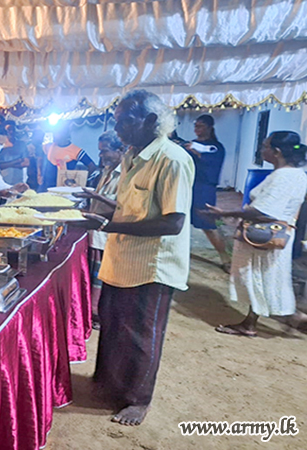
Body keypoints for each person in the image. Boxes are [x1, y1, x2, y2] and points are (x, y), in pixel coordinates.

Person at [84, 89, 194, 426]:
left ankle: (138, 400)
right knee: (115, 327)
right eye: (116, 121)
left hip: (152, 266)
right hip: (122, 258)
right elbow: (128, 208)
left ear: (150, 121)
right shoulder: (131, 156)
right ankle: (109, 384)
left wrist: (109, 223)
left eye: (125, 121)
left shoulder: (172, 159)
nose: (118, 129)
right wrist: (97, 204)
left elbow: (173, 222)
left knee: (141, 334)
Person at [203, 131, 307, 336]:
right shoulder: (296, 174)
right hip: (276, 234)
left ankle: (267, 321)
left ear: (276, 152)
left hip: (265, 236)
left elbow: (264, 210)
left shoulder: (284, 176)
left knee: (259, 277)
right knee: (265, 278)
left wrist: (225, 213)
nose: (262, 150)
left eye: (265, 146)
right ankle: (256, 321)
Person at [74, 131, 125, 329]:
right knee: (95, 277)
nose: (101, 156)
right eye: (100, 152)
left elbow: (124, 206)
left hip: (109, 233)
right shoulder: (107, 170)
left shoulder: (127, 174)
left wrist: (97, 197)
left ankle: (100, 315)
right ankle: (93, 312)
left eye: (105, 152)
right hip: (96, 232)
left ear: (120, 150)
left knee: (104, 279)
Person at [183, 114, 231, 271]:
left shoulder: (216, 147)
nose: (197, 129)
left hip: (204, 188)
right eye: (195, 126)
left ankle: (225, 257)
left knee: (209, 224)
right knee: (180, 220)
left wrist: (198, 154)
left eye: (201, 126)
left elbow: (212, 166)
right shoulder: (192, 144)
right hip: (188, 185)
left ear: (210, 127)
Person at [40, 124, 97, 191]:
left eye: (57, 133)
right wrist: (40, 175)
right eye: (54, 133)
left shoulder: (76, 150)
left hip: (64, 188)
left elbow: (92, 166)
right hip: (46, 187)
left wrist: (80, 179)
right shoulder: (49, 147)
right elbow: (42, 160)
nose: (54, 136)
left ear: (65, 134)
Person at [0, 121, 30, 185]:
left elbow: (26, 163)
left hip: (19, 182)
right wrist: (16, 161)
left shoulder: (21, 144)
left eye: (13, 129)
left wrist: (8, 164)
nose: (11, 132)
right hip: (2, 182)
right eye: (9, 129)